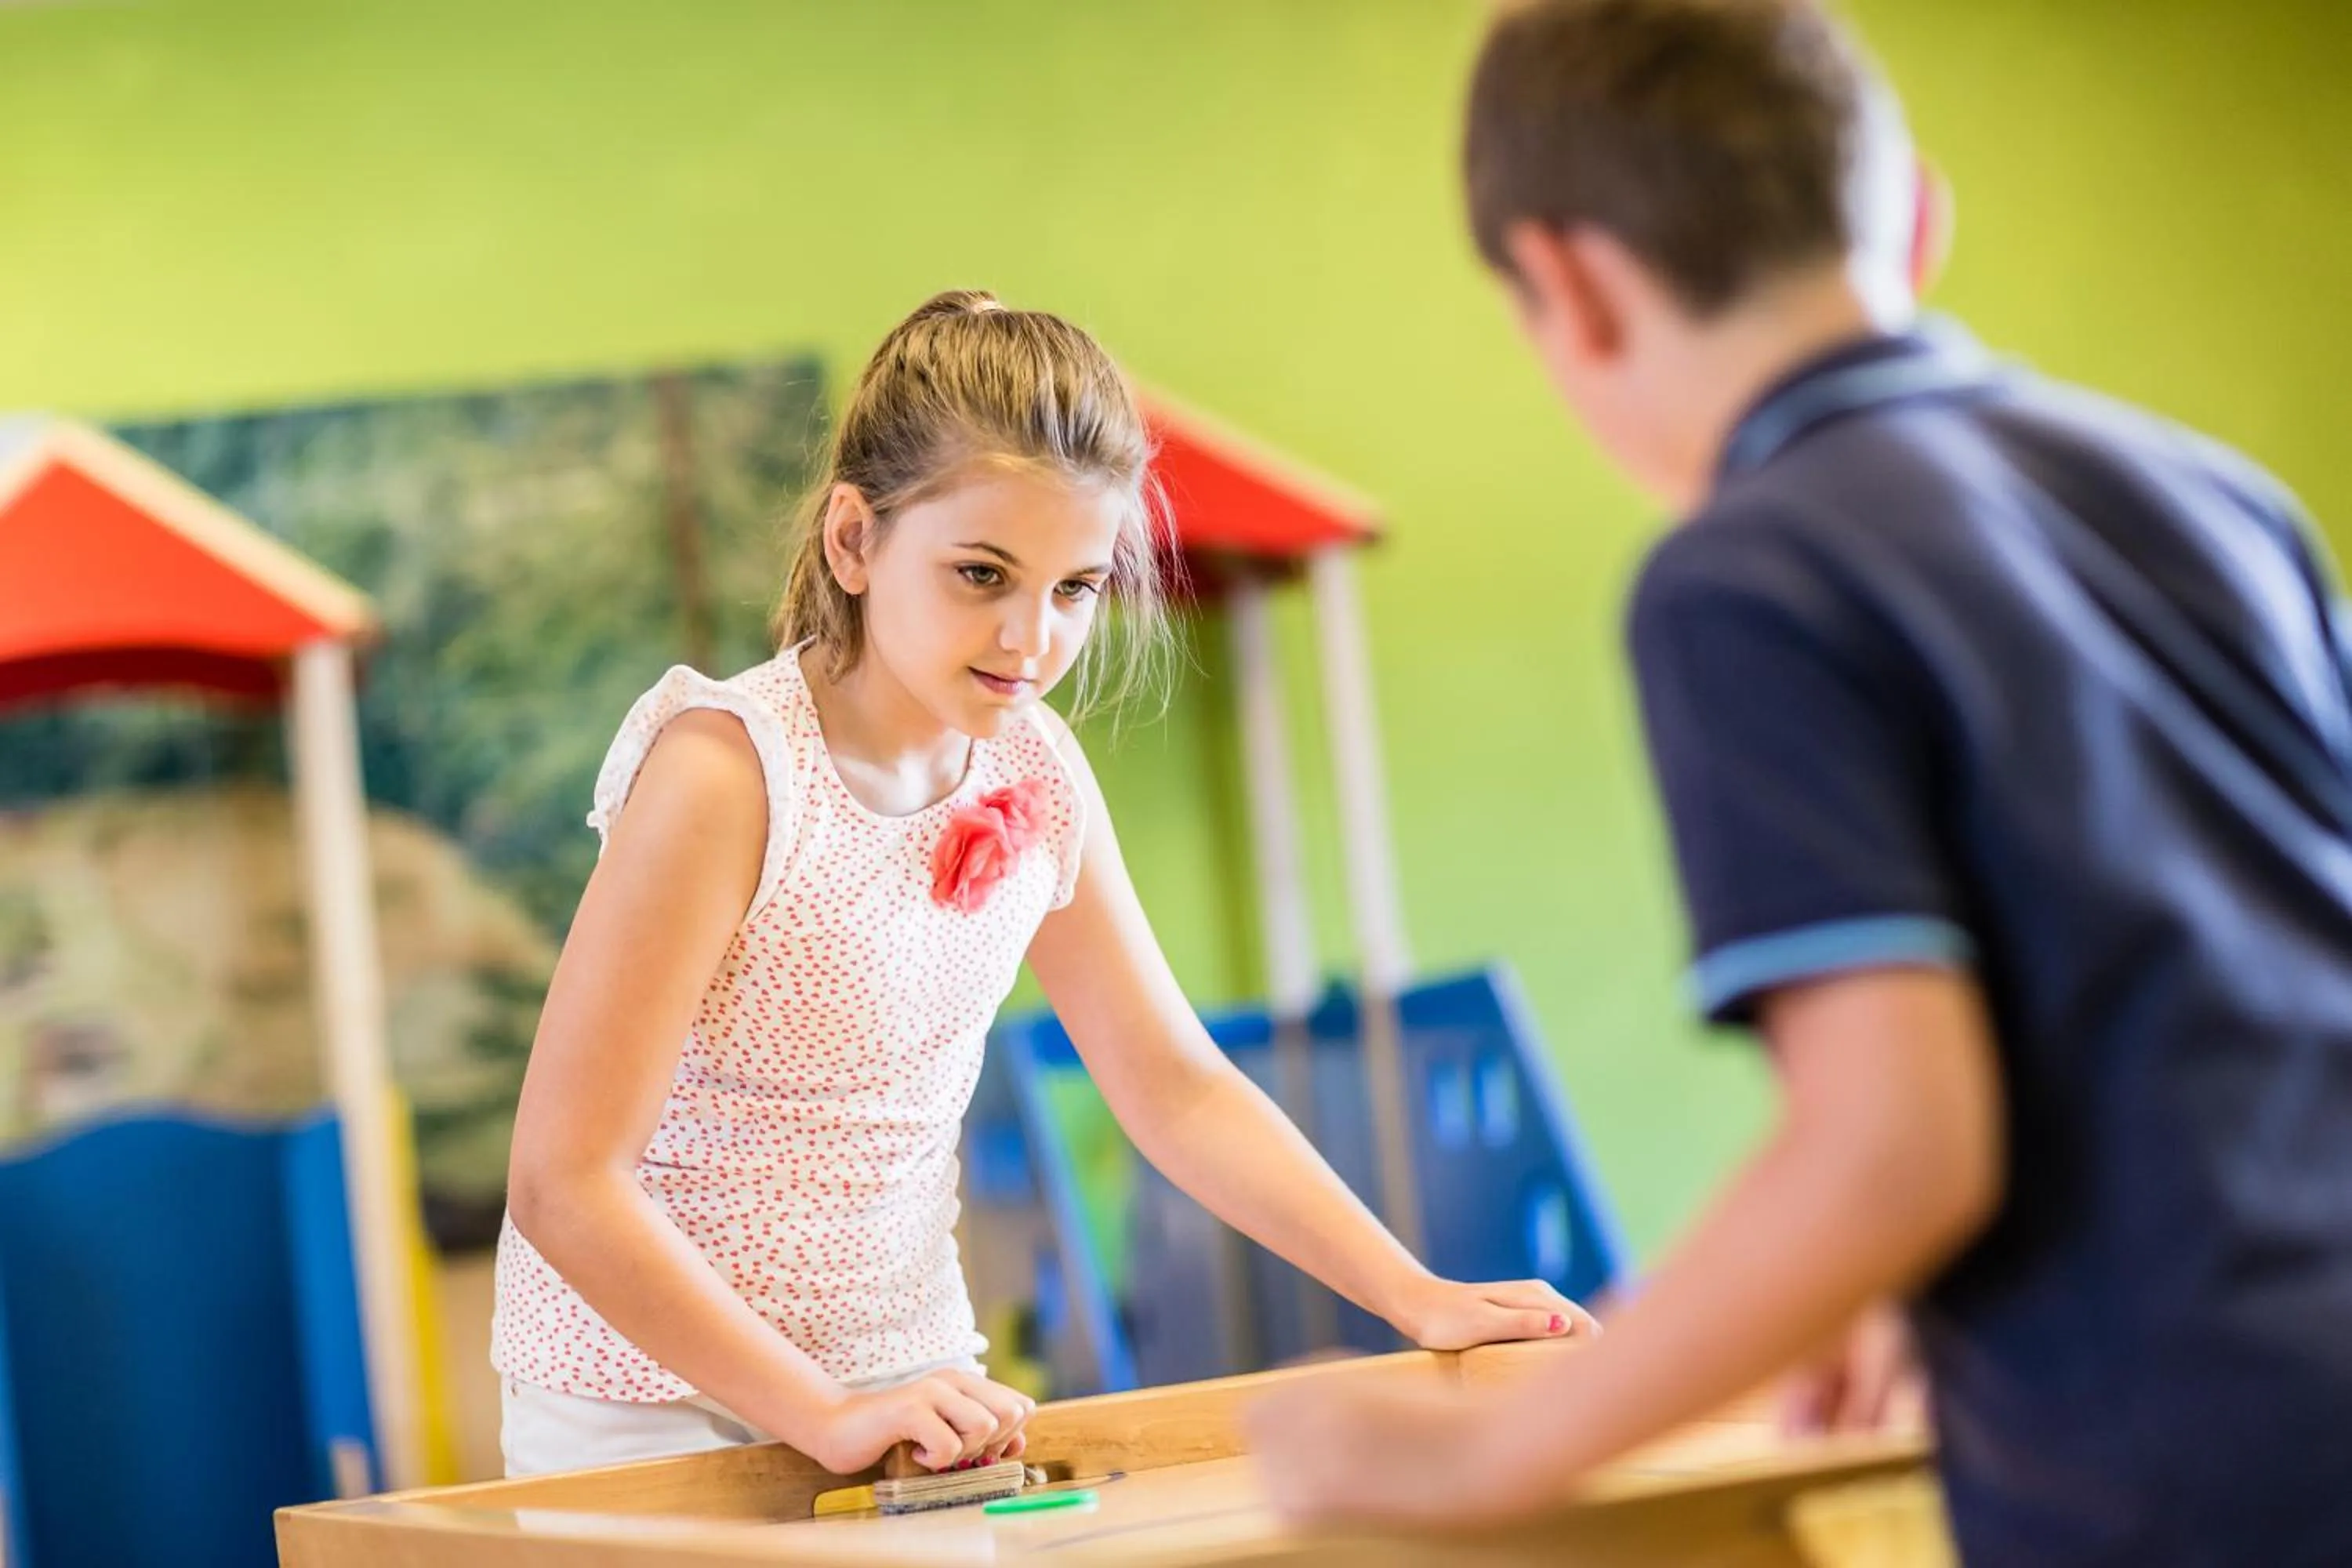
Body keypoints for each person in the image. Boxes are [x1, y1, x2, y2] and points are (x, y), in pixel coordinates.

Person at [1244, 5, 2352, 1563]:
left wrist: (1487, 1451)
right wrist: (1897, 1276)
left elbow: (1896, 1143)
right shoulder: (2212, 490)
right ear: (1913, 215)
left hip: (2194, 1469)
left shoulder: (1751, 571)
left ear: (1567, 285)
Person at [492, 289, 1595, 1479]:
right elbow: (567, 1182)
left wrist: (1411, 1293)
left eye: (1074, 588)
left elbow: (1173, 1086)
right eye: (982, 574)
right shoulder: (728, 773)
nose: (1032, 641)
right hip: (647, 1407)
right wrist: (818, 1412)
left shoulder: (1035, 768)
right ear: (854, 541)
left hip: (907, 1383)